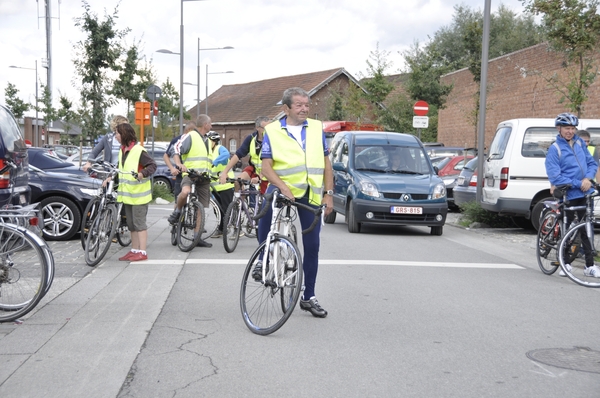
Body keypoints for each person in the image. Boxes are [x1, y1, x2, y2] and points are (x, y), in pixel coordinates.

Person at [256, 87, 334, 318]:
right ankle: (263, 260)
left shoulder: (316, 128)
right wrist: (282, 186)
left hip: (309, 193)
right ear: (286, 108)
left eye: (307, 105)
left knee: (312, 246)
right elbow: (266, 167)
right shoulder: (272, 130)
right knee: (265, 211)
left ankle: (308, 296)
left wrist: (328, 193)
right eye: (299, 105)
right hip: (282, 187)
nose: (304, 109)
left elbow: (326, 163)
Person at [545, 112, 600, 278]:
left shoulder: (580, 144)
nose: (570, 131)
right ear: (559, 128)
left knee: (586, 227)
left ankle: (589, 265)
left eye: (572, 128)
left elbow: (591, 163)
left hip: (585, 192)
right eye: (566, 128)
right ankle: (565, 262)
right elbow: (555, 176)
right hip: (569, 193)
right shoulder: (555, 149)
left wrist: (588, 179)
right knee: (568, 227)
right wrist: (579, 183)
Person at [113, 123, 157, 262]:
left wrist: (142, 173)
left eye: (117, 133)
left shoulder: (138, 150)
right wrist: (110, 178)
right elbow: (121, 169)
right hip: (128, 195)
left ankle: (142, 252)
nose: (116, 136)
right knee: (131, 225)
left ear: (124, 135)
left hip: (139, 196)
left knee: (139, 224)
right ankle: (134, 250)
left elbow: (152, 165)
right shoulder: (123, 150)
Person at [168, 116, 213, 248]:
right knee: (185, 192)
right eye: (210, 124)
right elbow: (175, 149)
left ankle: (196, 237)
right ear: (205, 124)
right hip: (190, 175)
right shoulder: (191, 136)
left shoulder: (207, 140)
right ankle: (177, 211)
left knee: (201, 208)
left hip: (204, 177)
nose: (211, 126)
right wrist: (178, 164)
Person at [219, 116, 270, 194]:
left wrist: (259, 177)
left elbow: (271, 163)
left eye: (270, 128)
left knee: (264, 201)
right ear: (257, 128)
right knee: (237, 182)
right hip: (254, 169)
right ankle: (241, 204)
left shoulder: (272, 140)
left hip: (269, 172)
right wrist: (225, 172)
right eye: (265, 128)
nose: (269, 131)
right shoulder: (251, 138)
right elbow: (238, 155)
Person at [206, 130, 235, 238]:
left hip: (225, 184)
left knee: (227, 208)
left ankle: (235, 227)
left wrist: (215, 162)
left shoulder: (219, 149)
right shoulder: (207, 151)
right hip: (214, 186)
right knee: (217, 209)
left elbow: (226, 154)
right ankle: (222, 229)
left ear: (213, 141)